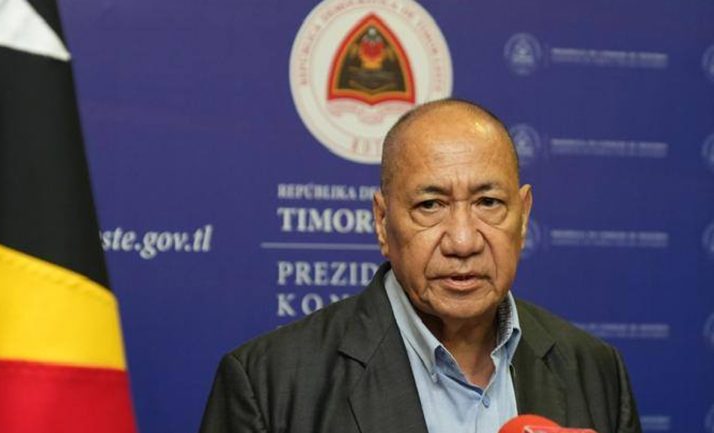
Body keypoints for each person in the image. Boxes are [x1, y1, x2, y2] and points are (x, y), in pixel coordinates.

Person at [199, 99, 641, 433]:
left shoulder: (595, 370)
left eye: (488, 202)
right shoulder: (269, 384)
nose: (463, 241)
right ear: (382, 222)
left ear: (523, 217)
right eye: (430, 205)